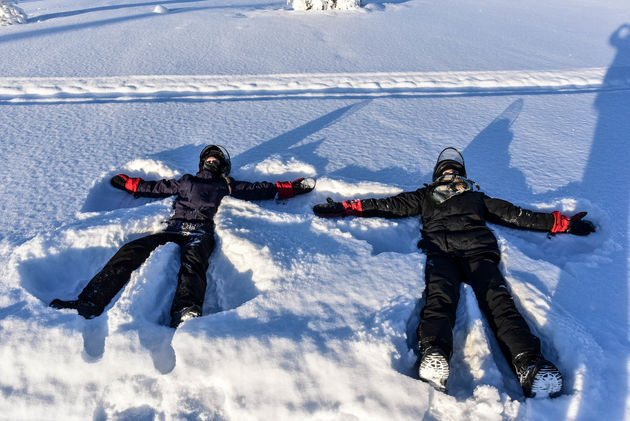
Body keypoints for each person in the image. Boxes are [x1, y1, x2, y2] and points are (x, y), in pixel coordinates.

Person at [312, 147, 595, 398]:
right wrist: (347, 207)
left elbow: (517, 215)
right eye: (448, 170)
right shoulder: (450, 196)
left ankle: (525, 365)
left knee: (482, 305)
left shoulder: (458, 197)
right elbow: (387, 205)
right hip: (457, 254)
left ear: (449, 174)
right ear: (446, 174)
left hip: (461, 254)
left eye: (451, 170)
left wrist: (562, 223)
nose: (449, 173)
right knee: (457, 303)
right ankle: (443, 355)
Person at [51, 145, 315, 328]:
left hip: (200, 232)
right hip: (173, 229)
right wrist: (130, 184)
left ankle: (186, 311)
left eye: (216, 160)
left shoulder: (226, 184)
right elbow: (154, 187)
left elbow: (260, 189)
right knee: (131, 250)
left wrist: (291, 188)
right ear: (202, 163)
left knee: (192, 266)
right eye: (209, 158)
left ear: (222, 166)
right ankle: (90, 300)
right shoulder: (185, 180)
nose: (212, 161)